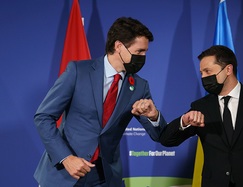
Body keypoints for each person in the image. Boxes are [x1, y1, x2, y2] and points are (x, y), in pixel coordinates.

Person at [34, 17, 167, 187]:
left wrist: (154, 116)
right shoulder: (78, 71)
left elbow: (159, 135)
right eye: (139, 51)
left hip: (105, 178)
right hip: (63, 174)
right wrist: (66, 158)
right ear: (118, 46)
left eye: (145, 52)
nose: (143, 57)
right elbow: (43, 117)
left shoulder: (140, 86)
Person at [160, 45, 243, 187]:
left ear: (228, 69)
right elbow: (167, 140)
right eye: (201, 73)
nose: (203, 77)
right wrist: (184, 121)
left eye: (207, 71)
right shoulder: (201, 107)